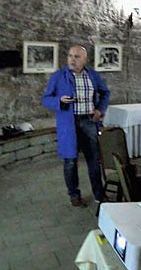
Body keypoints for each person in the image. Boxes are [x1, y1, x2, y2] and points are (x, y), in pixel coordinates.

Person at [40, 45, 110, 207]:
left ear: (85, 59)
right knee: (70, 161)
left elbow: (105, 92)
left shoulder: (93, 75)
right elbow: (45, 99)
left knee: (94, 160)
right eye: (70, 56)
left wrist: (100, 109)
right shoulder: (58, 76)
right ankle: (74, 194)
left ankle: (99, 194)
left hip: (89, 122)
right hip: (68, 124)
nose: (72, 59)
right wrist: (59, 100)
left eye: (77, 56)